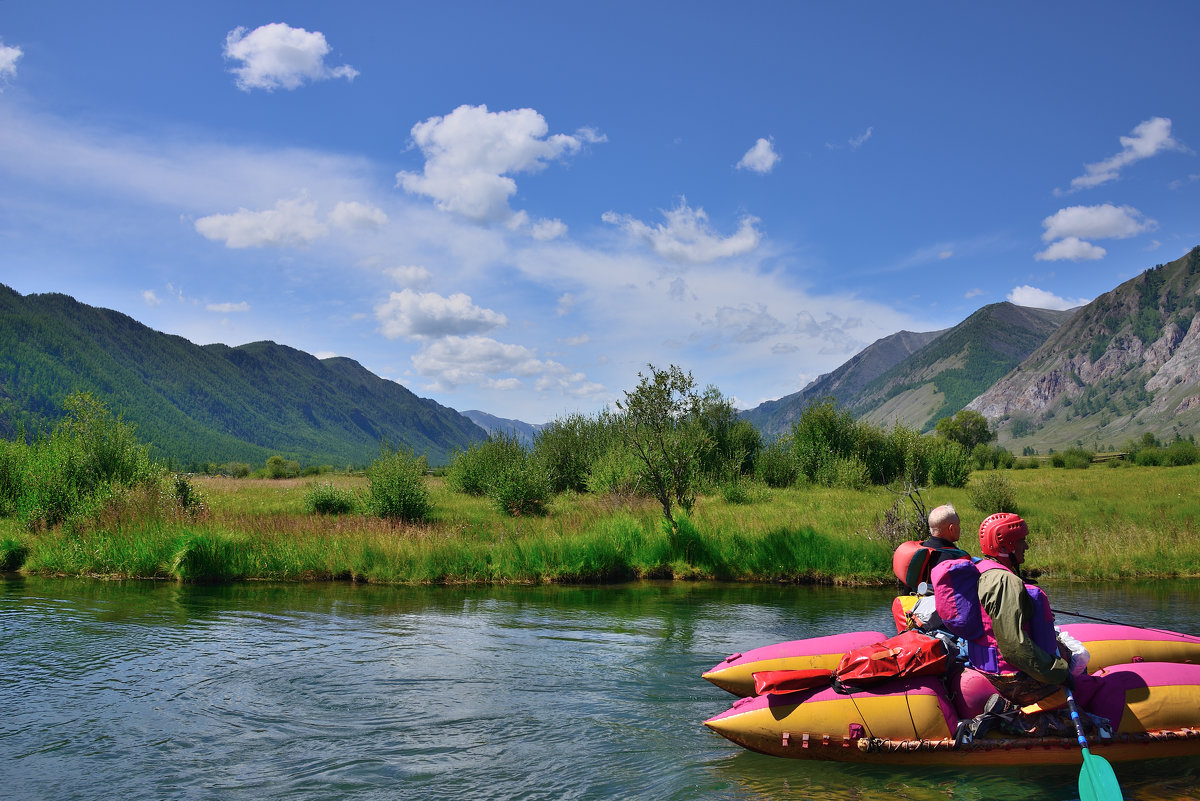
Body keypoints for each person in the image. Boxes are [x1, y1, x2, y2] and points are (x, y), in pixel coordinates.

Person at [936, 512, 1071, 706]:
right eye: (1022, 541)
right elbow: (1013, 646)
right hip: (1010, 679)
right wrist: (1058, 671)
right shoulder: (1004, 581)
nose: (1026, 546)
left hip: (988, 668)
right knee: (1081, 679)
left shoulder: (981, 567)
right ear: (1008, 545)